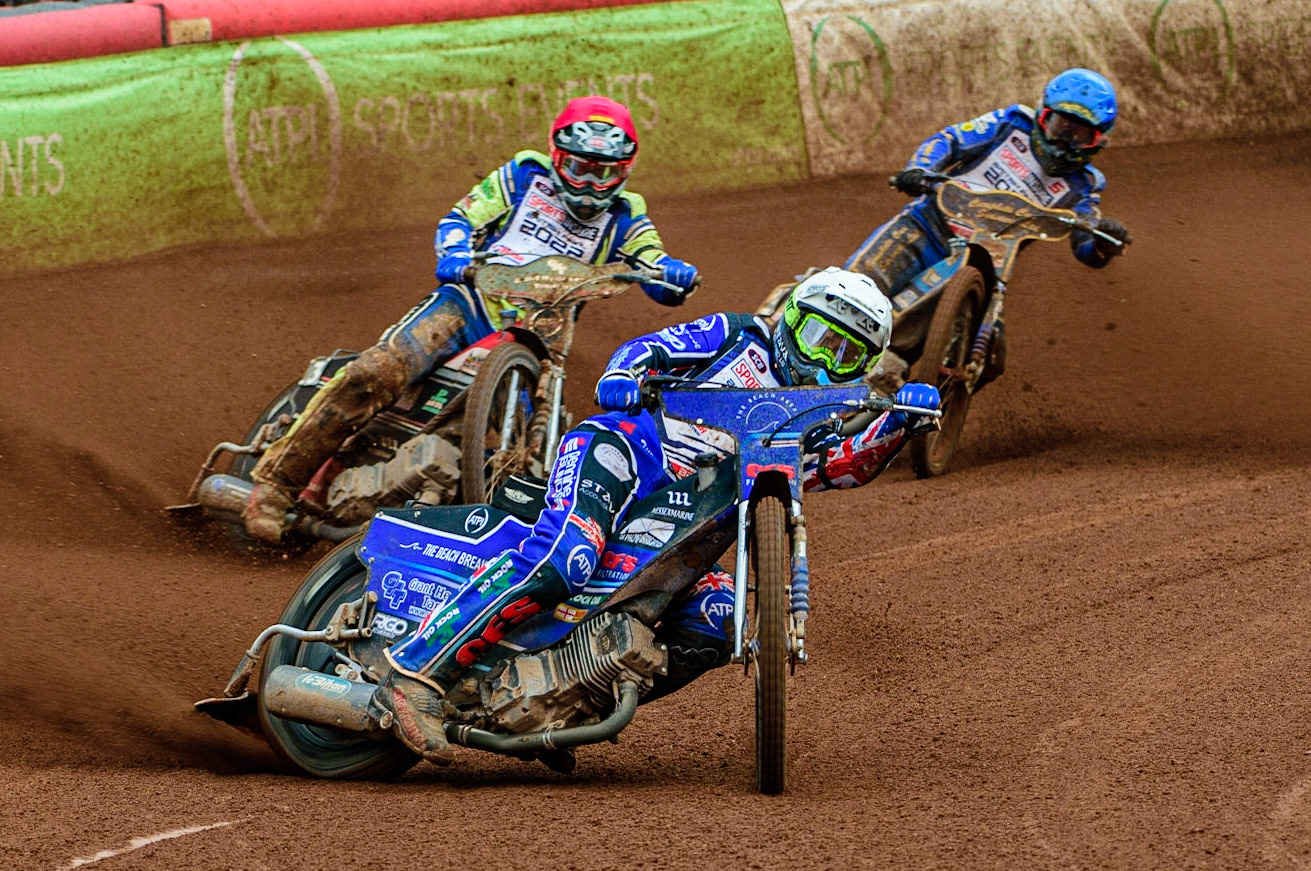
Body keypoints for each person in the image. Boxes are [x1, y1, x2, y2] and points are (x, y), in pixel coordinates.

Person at [371, 266, 942, 765]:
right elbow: (652, 347)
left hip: (682, 531)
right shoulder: (738, 335)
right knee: (568, 557)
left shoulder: (819, 417)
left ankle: (566, 707)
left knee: (720, 617)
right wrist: (622, 375)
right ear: (792, 320)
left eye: (848, 356)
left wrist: (898, 425)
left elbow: (841, 467)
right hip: (623, 453)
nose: (824, 364)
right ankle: (415, 673)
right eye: (820, 339)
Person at [243, 95, 702, 542]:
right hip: (471, 302)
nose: (588, 185)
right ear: (558, 157)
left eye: (604, 173)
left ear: (624, 172)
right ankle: (276, 487)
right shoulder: (526, 176)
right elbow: (462, 216)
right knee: (375, 372)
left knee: (516, 441)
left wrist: (672, 275)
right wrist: (456, 250)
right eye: (579, 168)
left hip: (544, 334)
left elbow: (652, 263)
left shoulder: (626, 215)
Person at [845, 68, 1133, 383]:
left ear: (1099, 141)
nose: (1065, 143)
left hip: (988, 263)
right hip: (926, 224)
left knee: (992, 357)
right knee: (851, 291)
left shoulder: (1084, 185)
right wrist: (919, 169)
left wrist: (1104, 243)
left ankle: (914, 389)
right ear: (1042, 116)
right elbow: (950, 140)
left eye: (1080, 136)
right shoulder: (1010, 124)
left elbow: (1085, 242)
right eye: (1060, 127)